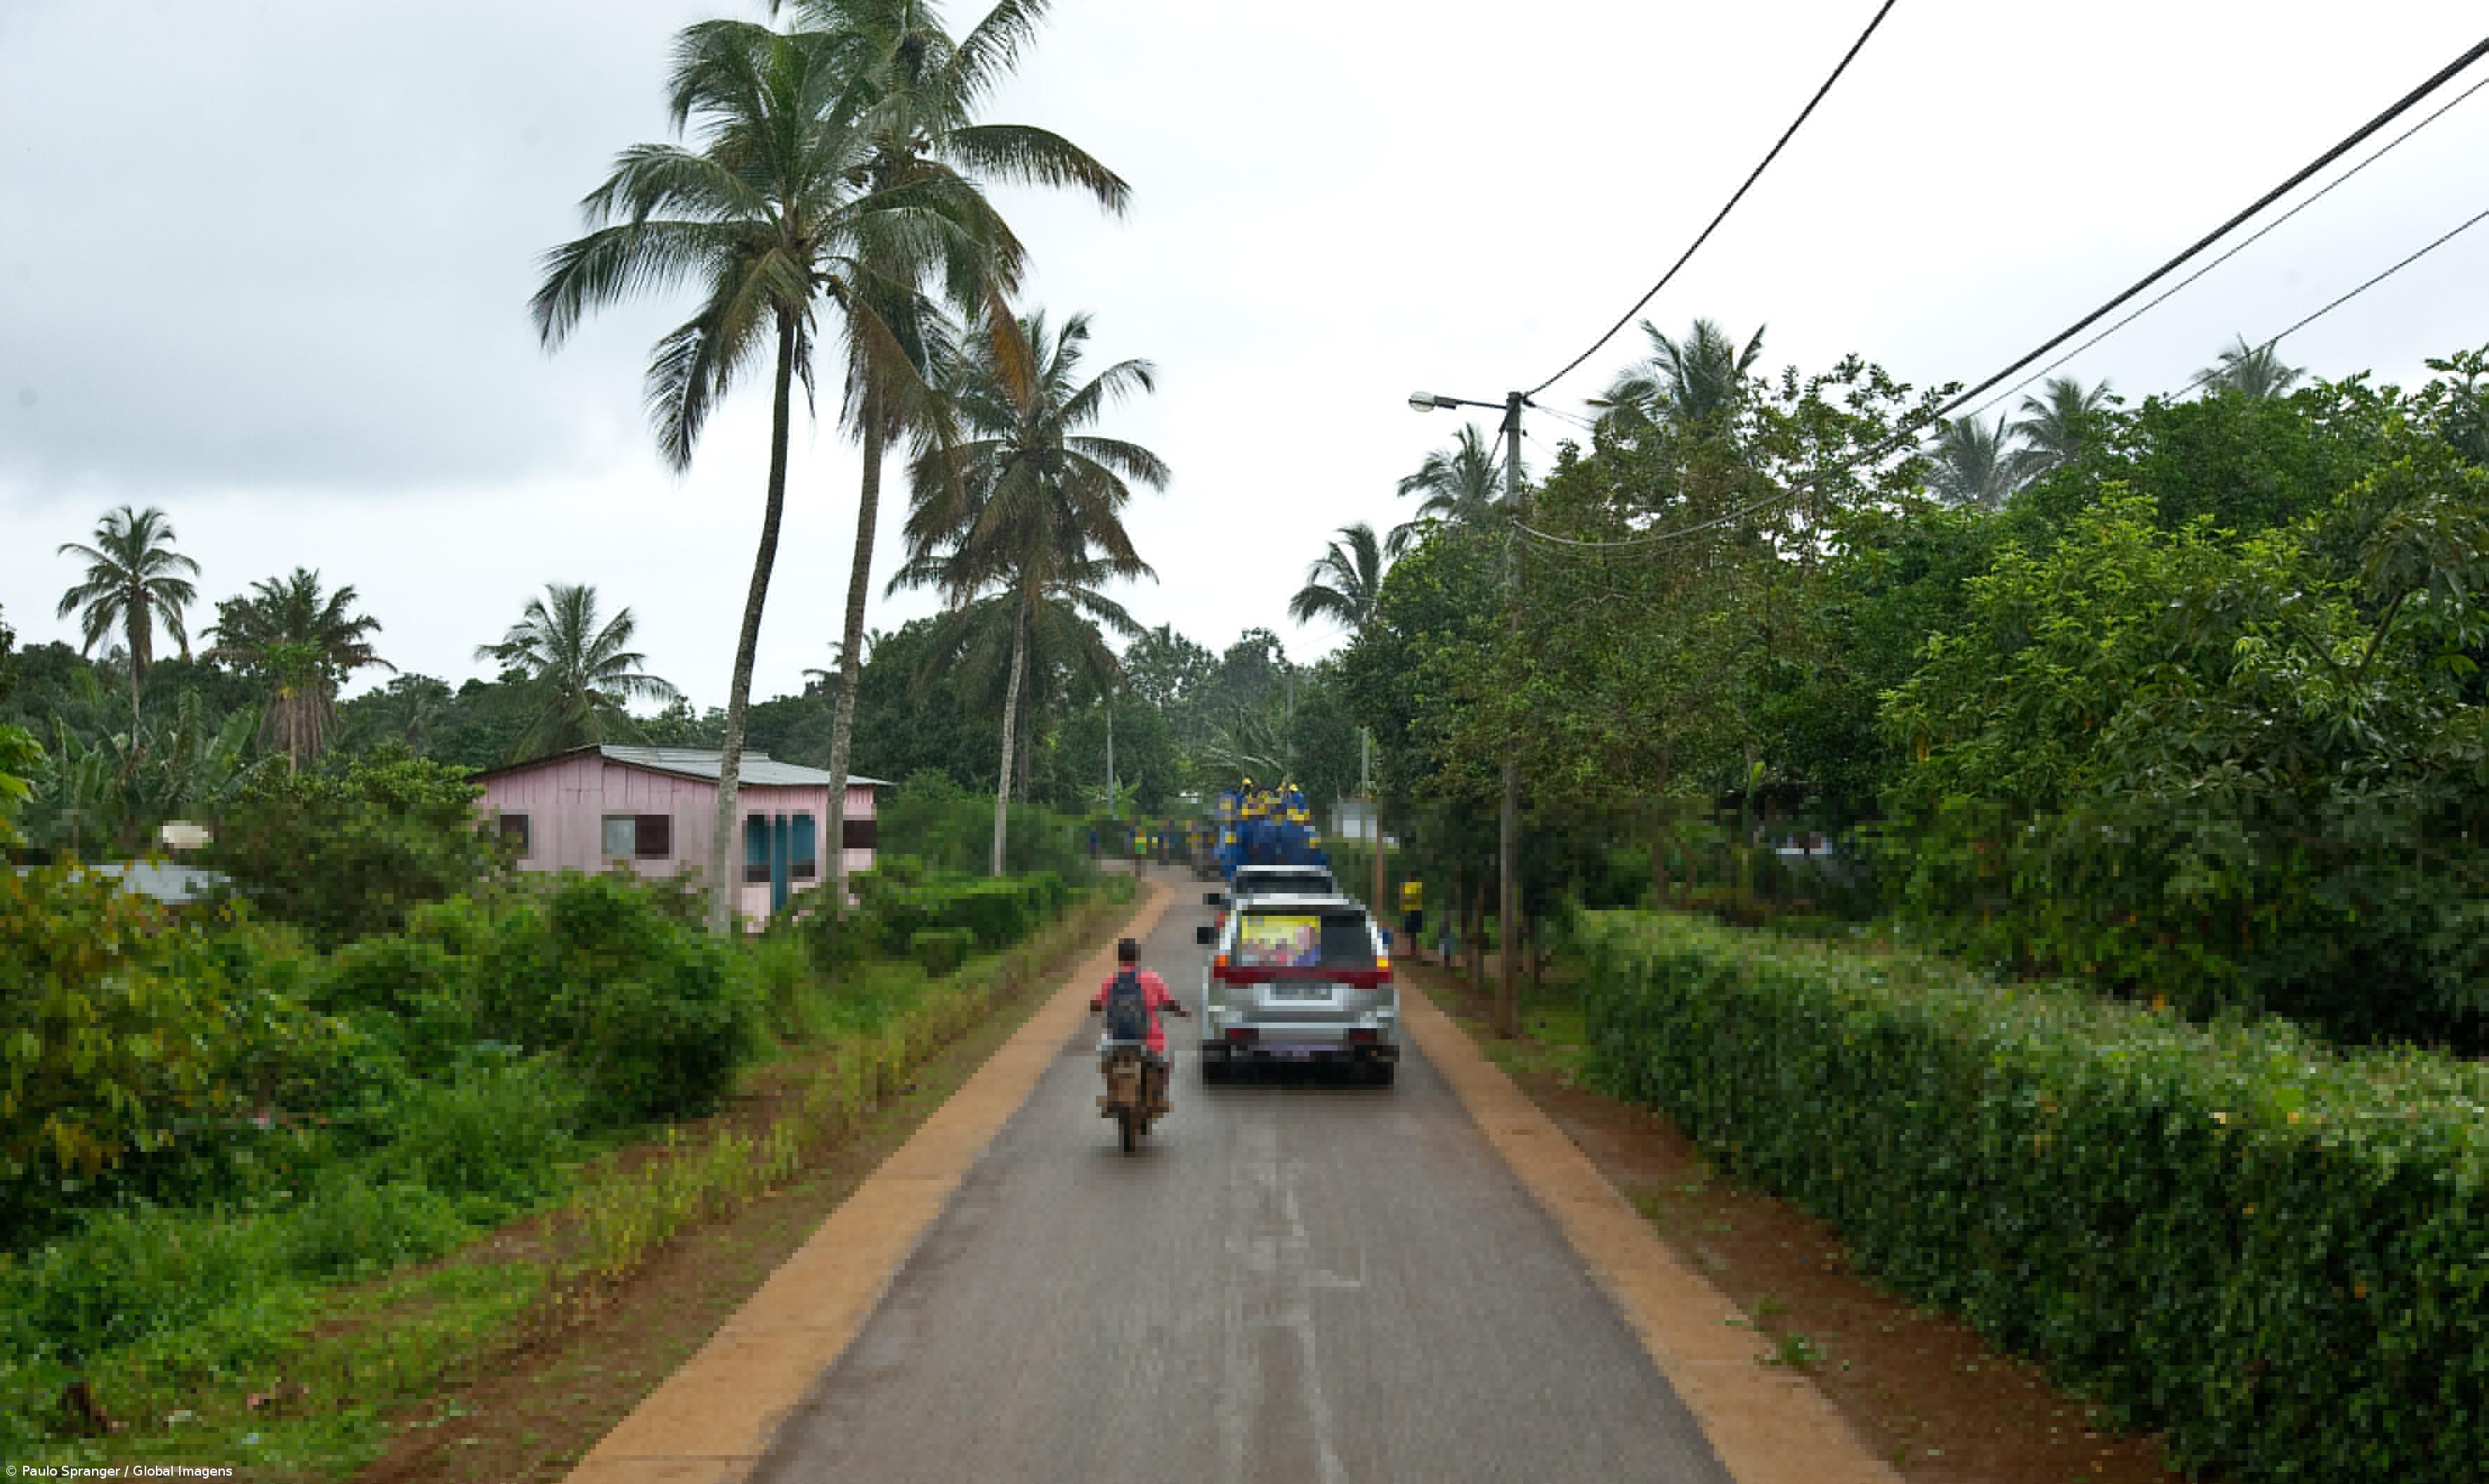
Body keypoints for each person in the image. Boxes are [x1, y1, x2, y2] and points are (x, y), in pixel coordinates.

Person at [1090, 936, 1189, 1110]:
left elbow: (1096, 1006)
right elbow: (1169, 1003)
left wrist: (1099, 1006)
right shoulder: (1151, 978)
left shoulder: (1110, 981)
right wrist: (1181, 1012)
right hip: (1150, 1038)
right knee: (1167, 1060)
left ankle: (1112, 1092)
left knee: (1106, 1061)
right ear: (1138, 956)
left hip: (1116, 1039)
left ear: (1119, 958)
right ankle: (1158, 1096)